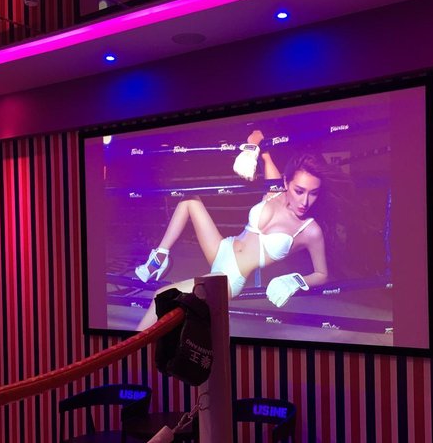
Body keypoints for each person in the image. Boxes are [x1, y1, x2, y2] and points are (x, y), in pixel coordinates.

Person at [134, 130, 332, 330]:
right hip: (222, 247)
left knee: (161, 297)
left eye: (313, 193)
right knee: (190, 200)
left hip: (230, 277)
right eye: (299, 191)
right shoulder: (274, 191)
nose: (305, 201)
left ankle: (130, 345)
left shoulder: (310, 230)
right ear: (286, 182)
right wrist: (251, 151)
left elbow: (322, 274)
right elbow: (257, 135)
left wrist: (295, 280)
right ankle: (160, 257)